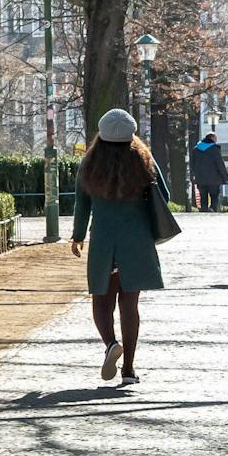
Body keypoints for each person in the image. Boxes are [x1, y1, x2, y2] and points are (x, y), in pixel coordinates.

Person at [71, 108, 165, 387]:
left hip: (103, 241)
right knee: (129, 305)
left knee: (101, 300)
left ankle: (111, 344)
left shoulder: (90, 163)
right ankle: (129, 369)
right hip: (136, 241)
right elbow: (165, 194)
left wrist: (77, 236)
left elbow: (81, 202)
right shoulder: (143, 159)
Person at [189, 124, 228, 211]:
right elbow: (220, 164)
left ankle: (204, 211)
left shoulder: (196, 149)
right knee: (214, 196)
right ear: (212, 139)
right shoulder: (214, 149)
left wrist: (193, 176)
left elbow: (192, 164)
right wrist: (226, 177)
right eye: (215, 138)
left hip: (200, 179)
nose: (216, 140)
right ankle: (212, 210)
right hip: (213, 179)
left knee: (203, 197)